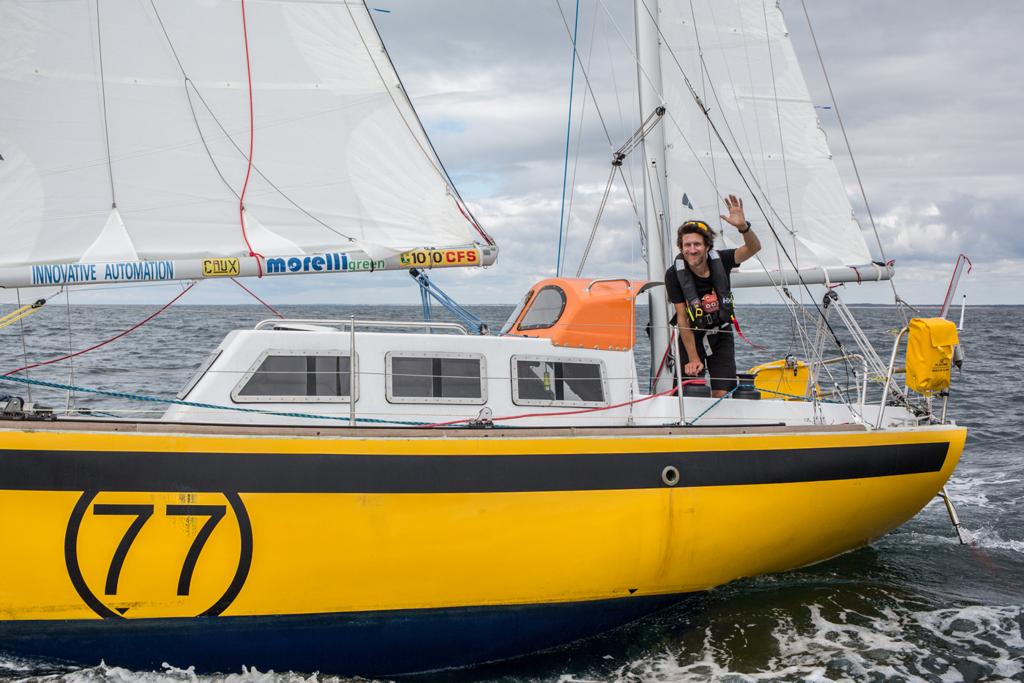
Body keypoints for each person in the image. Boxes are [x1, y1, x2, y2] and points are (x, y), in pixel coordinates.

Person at [664, 194, 761, 397]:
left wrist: (743, 227)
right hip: (692, 334)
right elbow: (682, 317)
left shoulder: (722, 260)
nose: (692, 250)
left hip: (721, 334)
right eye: (687, 245)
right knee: (690, 391)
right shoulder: (673, 274)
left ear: (707, 247)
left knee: (722, 393)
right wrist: (693, 358)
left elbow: (754, 248)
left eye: (697, 244)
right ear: (681, 248)